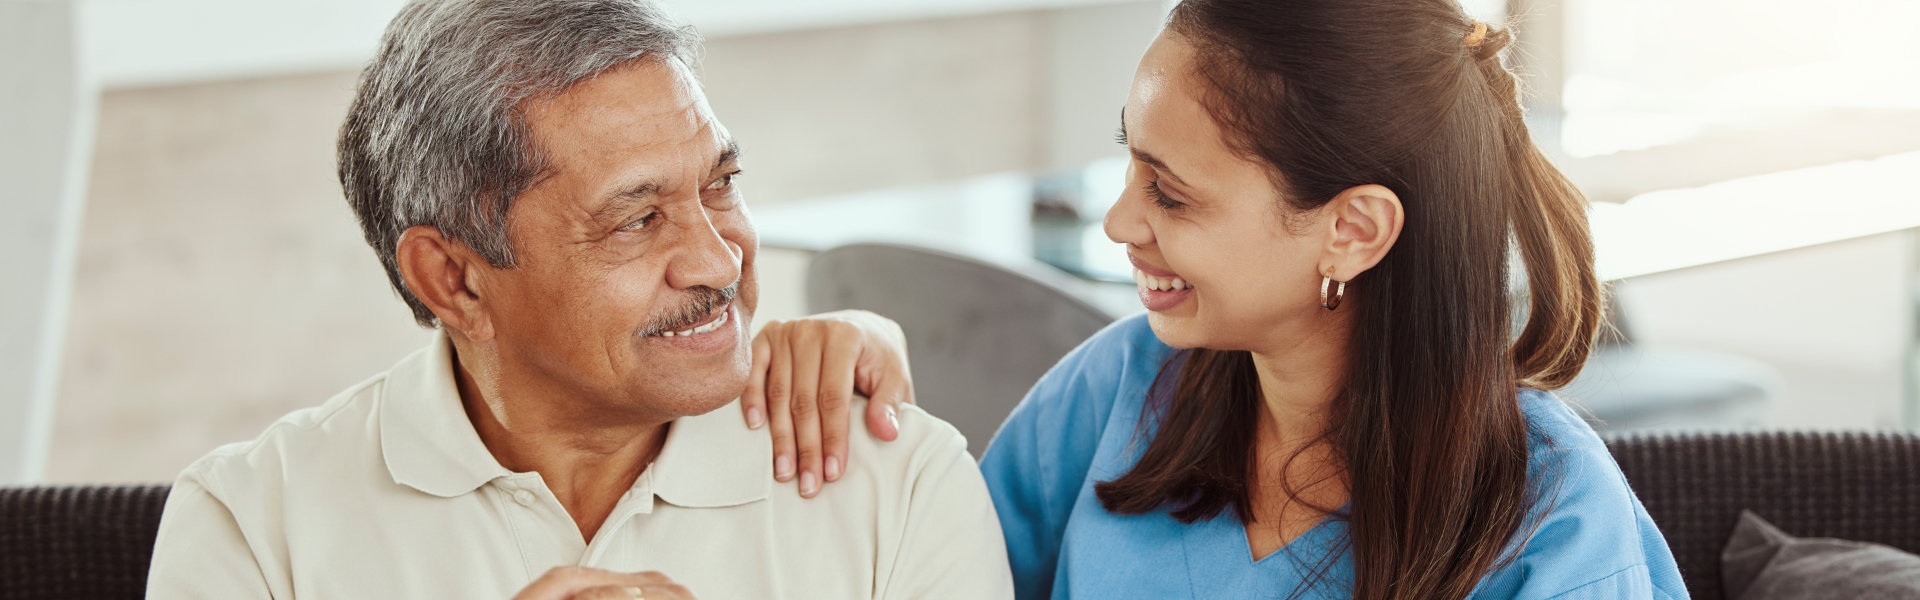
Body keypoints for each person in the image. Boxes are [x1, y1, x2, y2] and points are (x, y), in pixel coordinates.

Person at [761, 1, 1687, 598]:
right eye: (1129, 162)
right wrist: (862, 365)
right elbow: (930, 574)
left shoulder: (1551, 521)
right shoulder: (1121, 385)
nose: (1122, 221)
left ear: (1352, 230)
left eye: (1171, 192)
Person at [142, 0, 1012, 598]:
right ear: (454, 278)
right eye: (636, 220)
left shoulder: (900, 481)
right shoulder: (253, 523)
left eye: (721, 184)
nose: (717, 261)